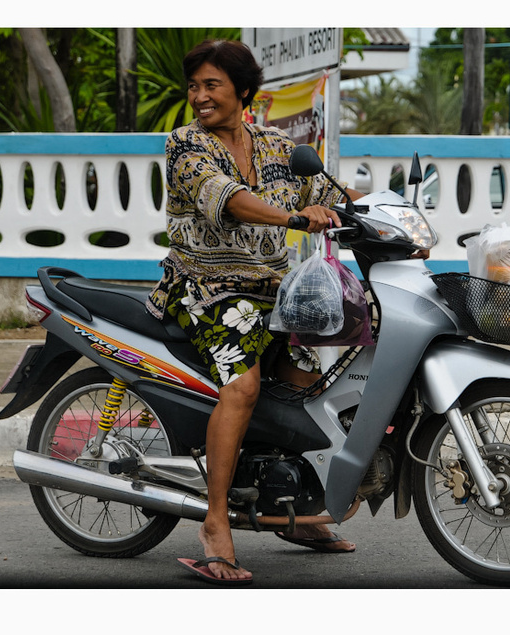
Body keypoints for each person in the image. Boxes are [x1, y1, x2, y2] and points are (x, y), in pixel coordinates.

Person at [146, 39, 365, 585]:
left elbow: (329, 192)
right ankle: (215, 521)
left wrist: (379, 216)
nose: (199, 96)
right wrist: (293, 218)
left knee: (308, 386)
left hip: (274, 291)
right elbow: (229, 200)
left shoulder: (275, 144)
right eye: (194, 85)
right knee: (243, 388)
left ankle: (289, 510)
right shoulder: (185, 146)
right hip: (207, 287)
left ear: (243, 91)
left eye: (211, 85)